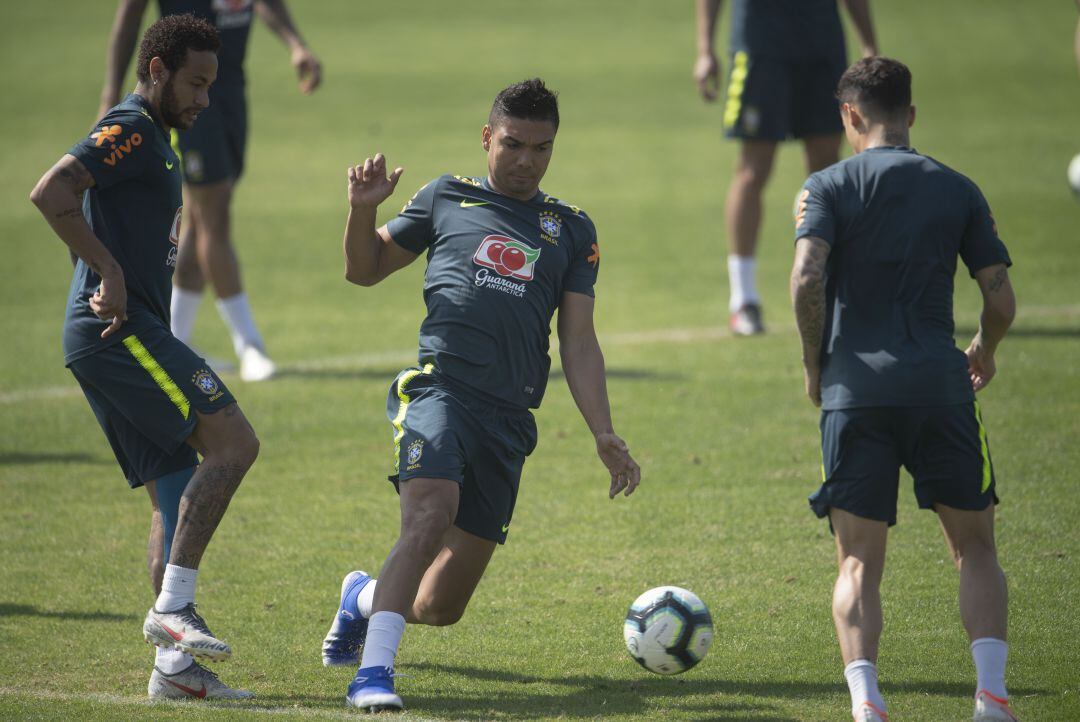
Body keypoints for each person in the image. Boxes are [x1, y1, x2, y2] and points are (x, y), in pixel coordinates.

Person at [320, 78, 642, 712]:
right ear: (487, 138)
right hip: (439, 391)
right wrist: (362, 208)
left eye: (541, 148)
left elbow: (578, 342)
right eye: (513, 144)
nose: (526, 160)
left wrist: (602, 430)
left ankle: (360, 596)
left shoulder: (571, 230)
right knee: (429, 512)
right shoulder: (446, 196)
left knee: (440, 606)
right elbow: (364, 270)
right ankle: (374, 674)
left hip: (509, 419)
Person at [31, 14, 260, 700]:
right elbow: (52, 190)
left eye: (212, 85)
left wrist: (105, 268)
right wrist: (106, 269)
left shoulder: (157, 137)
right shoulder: (130, 125)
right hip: (121, 336)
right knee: (234, 445)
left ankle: (174, 674)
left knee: (172, 489)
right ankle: (172, 613)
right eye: (194, 83)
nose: (204, 99)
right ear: (157, 71)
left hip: (120, 333)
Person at [790, 57, 1018, 722]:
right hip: (940, 389)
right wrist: (985, 349)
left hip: (854, 392)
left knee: (858, 559)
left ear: (849, 116)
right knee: (976, 548)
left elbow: (806, 279)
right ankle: (993, 699)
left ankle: (867, 704)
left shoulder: (827, 185)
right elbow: (1000, 300)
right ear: (911, 115)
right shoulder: (957, 188)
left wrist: (814, 363)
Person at [99, 0, 323, 382]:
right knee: (214, 216)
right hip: (186, 91)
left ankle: (172, 341)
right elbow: (129, 18)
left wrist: (295, 43)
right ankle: (249, 344)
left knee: (201, 222)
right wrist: (109, 98)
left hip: (231, 88)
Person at [694, 0, 877, 335]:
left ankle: (830, 288)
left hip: (821, 43)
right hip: (760, 45)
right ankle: (744, 299)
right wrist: (705, 48)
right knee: (754, 168)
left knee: (828, 167)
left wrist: (869, 43)